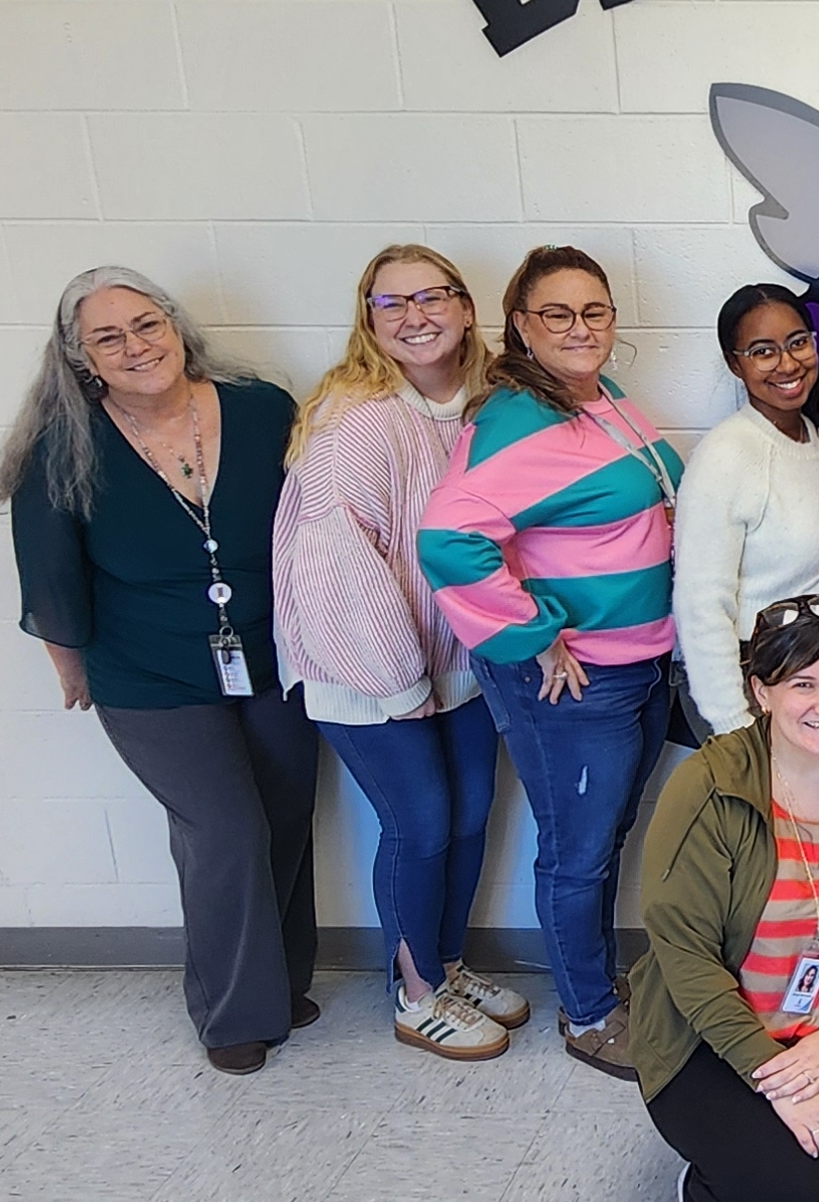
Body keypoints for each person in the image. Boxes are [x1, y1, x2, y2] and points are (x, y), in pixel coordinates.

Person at [0, 265, 317, 1076]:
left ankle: (277, 981)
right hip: (148, 674)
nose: (136, 346)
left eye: (147, 324)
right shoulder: (62, 448)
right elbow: (49, 574)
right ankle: (232, 1012)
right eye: (109, 336)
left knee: (283, 816)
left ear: (176, 328)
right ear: (82, 359)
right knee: (225, 829)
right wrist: (71, 667)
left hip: (277, 655)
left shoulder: (260, 408)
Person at [419, 245, 684, 1079]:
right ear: (522, 326)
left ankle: (595, 982)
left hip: (637, 663)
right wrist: (534, 634)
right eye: (558, 314)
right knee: (579, 848)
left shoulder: (601, 399)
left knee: (603, 836)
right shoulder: (513, 418)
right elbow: (448, 538)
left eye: (594, 311)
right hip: (576, 678)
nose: (581, 327)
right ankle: (587, 1013)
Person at [274, 244, 526, 1061]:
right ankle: (415, 993)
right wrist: (396, 676)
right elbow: (337, 558)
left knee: (469, 814)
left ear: (463, 306)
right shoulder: (355, 417)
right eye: (393, 303)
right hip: (368, 664)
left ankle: (448, 964)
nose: (415, 316)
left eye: (433, 297)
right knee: (419, 822)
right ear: (367, 318)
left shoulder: (488, 402)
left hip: (463, 658)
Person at [621, 595, 819, 1202]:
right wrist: (778, 1082)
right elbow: (685, 958)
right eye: (804, 684)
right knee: (789, 1182)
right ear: (761, 692)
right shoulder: (708, 787)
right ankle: (708, 1183)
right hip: (715, 1036)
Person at [675, 283, 819, 738]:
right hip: (758, 680)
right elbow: (701, 603)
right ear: (735, 363)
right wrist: (733, 722)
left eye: (798, 343)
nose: (788, 364)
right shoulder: (727, 456)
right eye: (763, 351)